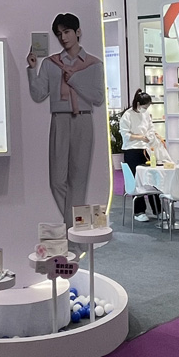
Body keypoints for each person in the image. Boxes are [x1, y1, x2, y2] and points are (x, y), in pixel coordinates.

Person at [27, 13, 106, 225]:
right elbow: (38, 94)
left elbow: (98, 98)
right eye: (59, 34)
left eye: (67, 32)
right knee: (56, 180)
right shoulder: (50, 63)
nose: (63, 37)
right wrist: (32, 69)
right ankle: (76, 224)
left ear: (78, 32)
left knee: (79, 179)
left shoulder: (93, 64)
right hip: (59, 120)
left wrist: (75, 80)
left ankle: (73, 230)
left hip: (83, 120)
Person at [118, 90, 163, 222]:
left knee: (153, 179)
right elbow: (125, 134)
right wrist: (140, 137)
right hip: (132, 150)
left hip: (146, 150)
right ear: (138, 104)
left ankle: (158, 210)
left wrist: (151, 136)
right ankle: (139, 211)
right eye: (145, 106)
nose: (146, 109)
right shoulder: (127, 115)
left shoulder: (146, 114)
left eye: (148, 107)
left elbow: (150, 128)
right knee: (136, 181)